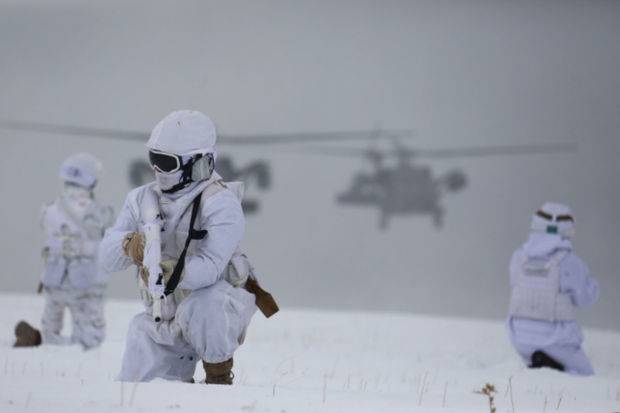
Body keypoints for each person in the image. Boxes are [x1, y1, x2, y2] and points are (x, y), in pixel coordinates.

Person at [98, 110, 277, 384]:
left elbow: (210, 267)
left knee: (206, 304)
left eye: (166, 163)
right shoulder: (141, 199)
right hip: (161, 314)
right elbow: (105, 258)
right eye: (154, 159)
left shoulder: (220, 203)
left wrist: (170, 272)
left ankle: (218, 376)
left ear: (197, 163)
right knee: (136, 391)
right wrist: (129, 246)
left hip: (215, 309)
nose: (157, 170)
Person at [14, 153, 114, 350]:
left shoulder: (50, 208)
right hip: (85, 280)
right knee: (91, 338)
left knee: (51, 326)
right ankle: (60, 347)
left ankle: (39, 340)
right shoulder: (98, 211)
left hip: (54, 276)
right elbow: (105, 243)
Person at [507, 202, 599, 375]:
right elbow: (586, 299)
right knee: (586, 377)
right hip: (557, 338)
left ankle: (542, 368)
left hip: (519, 336)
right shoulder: (569, 262)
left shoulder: (518, 257)